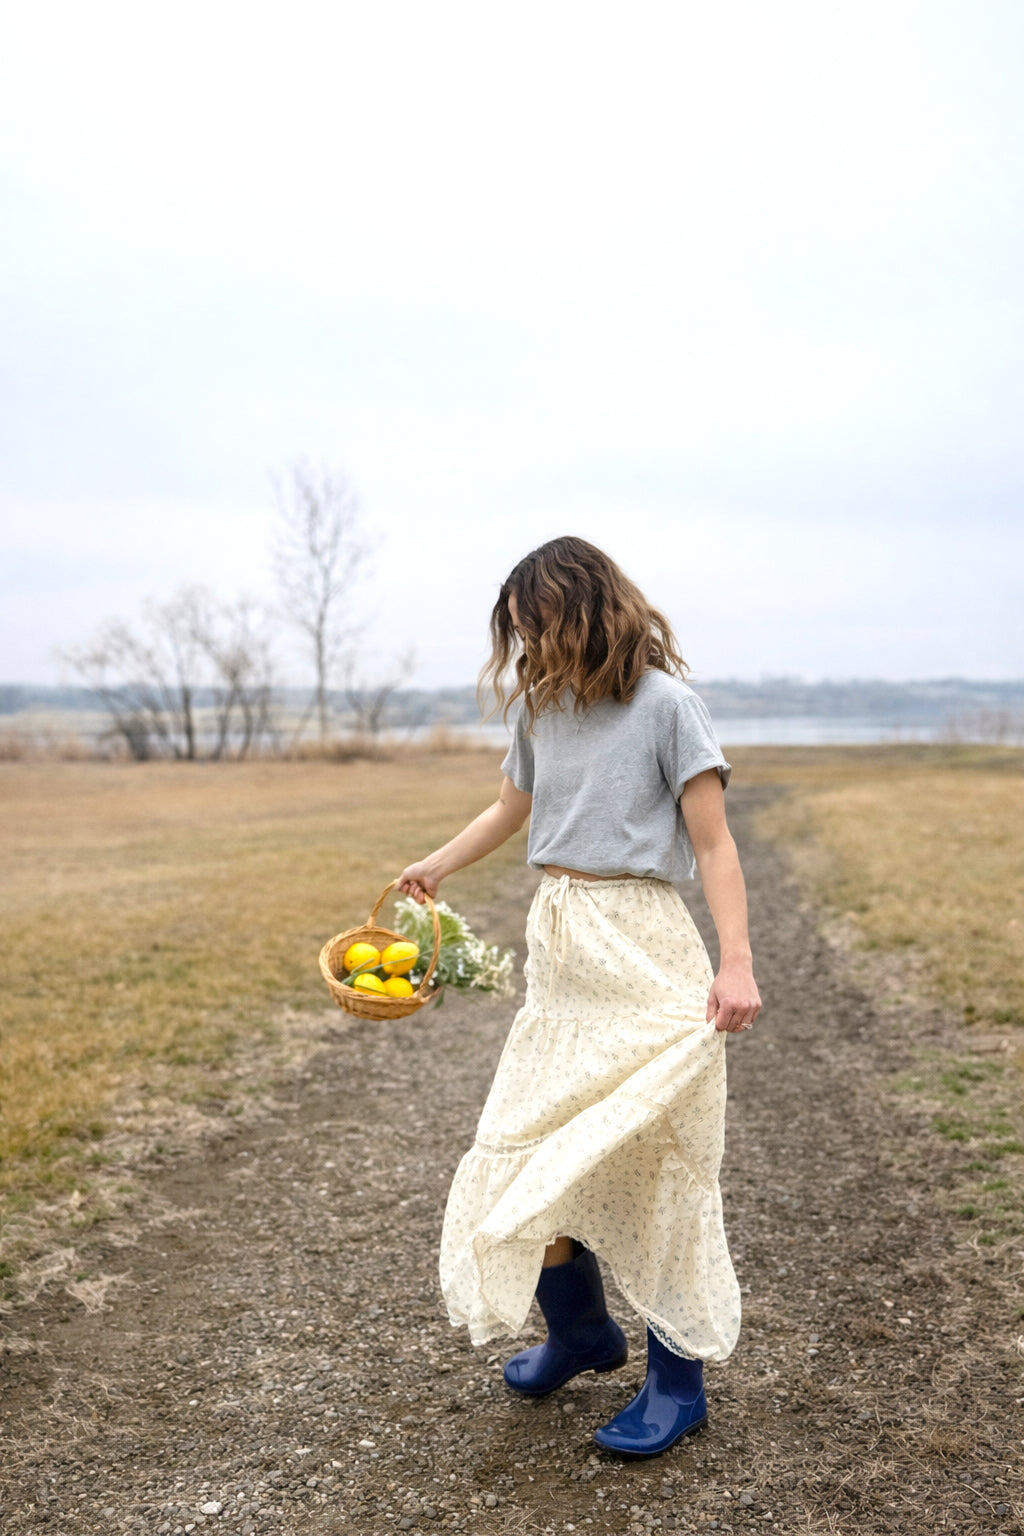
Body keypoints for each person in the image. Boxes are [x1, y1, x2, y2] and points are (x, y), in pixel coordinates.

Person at [397, 536, 761, 1458]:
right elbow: (513, 807)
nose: (526, 648)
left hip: (642, 950)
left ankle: (677, 1385)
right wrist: (436, 863)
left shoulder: (669, 707)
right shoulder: (542, 709)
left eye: (536, 627)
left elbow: (714, 847)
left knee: (662, 1164)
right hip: (560, 957)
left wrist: (737, 962)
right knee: (529, 1150)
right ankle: (581, 1335)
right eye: (517, 634)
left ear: (582, 612)